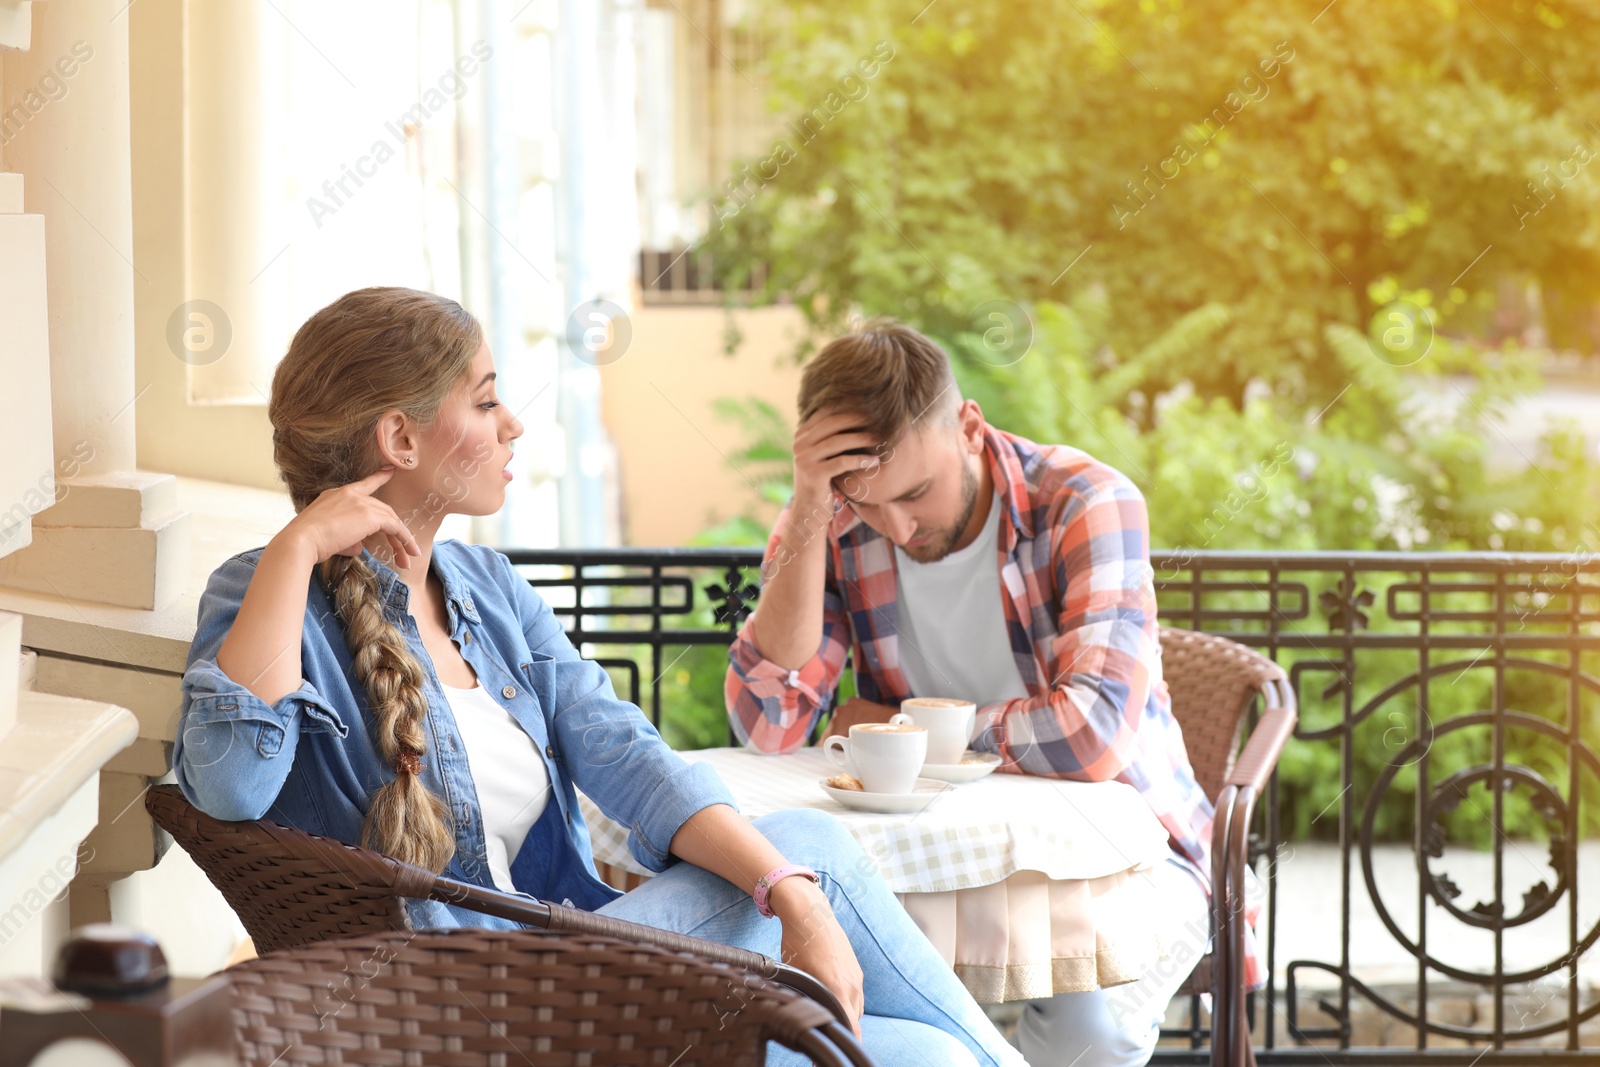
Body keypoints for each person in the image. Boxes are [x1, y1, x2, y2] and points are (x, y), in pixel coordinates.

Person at [173, 288, 1026, 1067]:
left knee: (927, 1053)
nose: (514, 424)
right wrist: (294, 550)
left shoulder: (488, 591)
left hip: (561, 979)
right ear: (400, 438)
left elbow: (626, 755)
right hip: (456, 1011)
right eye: (487, 399)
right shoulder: (263, 595)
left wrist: (788, 896)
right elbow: (230, 790)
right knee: (813, 851)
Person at [725, 319, 1261, 1067]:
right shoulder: (841, 516)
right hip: (926, 862)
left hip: (1120, 853)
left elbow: (1092, 734)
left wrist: (905, 723)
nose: (898, 526)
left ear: (969, 427)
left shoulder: (1085, 501)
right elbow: (769, 721)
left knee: (1089, 1040)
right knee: (849, 1014)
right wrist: (812, 503)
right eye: (867, 501)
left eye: (916, 492)